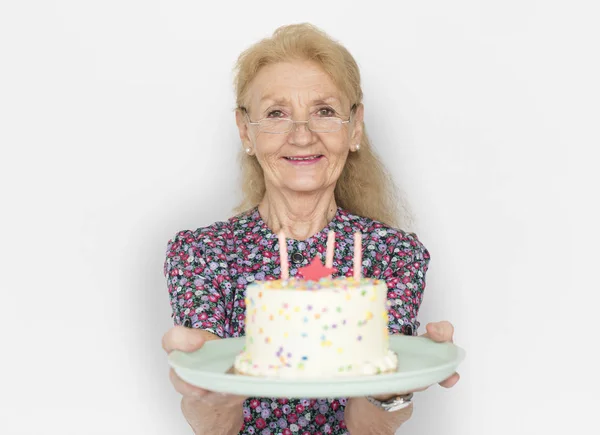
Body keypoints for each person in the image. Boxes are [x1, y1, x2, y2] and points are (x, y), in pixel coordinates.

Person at [162, 23, 460, 435]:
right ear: (245, 130)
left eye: (324, 111)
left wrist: (395, 389)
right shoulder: (200, 254)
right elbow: (216, 427)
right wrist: (210, 394)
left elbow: (368, 426)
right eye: (276, 114)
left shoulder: (393, 254)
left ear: (354, 127)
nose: (301, 136)